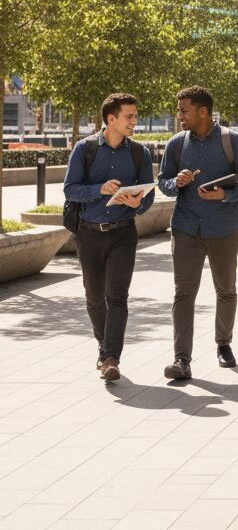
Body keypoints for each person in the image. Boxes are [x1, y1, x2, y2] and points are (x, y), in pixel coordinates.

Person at [158, 86, 238, 380]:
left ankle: (224, 344)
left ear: (203, 111)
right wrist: (175, 182)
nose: (179, 116)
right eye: (179, 111)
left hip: (223, 227)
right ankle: (181, 359)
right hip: (186, 228)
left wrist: (226, 195)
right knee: (183, 294)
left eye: (184, 111)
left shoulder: (234, 142)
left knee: (226, 289)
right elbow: (163, 182)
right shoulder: (176, 144)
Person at [63, 93, 155, 381]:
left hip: (123, 233)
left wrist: (136, 203)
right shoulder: (84, 149)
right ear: (111, 119)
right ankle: (104, 348)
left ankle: (111, 357)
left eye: (135, 116)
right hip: (88, 233)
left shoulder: (140, 153)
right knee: (94, 299)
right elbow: (70, 189)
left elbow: (147, 197)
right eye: (129, 116)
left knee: (117, 297)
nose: (134, 121)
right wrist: (99, 190)